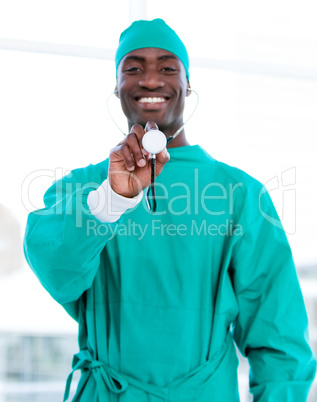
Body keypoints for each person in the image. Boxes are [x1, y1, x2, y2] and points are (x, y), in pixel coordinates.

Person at [24, 18, 316, 401]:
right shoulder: (83, 188)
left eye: (167, 68)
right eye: (133, 68)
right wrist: (111, 200)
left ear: (188, 84)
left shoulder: (239, 195)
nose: (149, 80)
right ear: (116, 87)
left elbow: (278, 336)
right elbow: (56, 266)